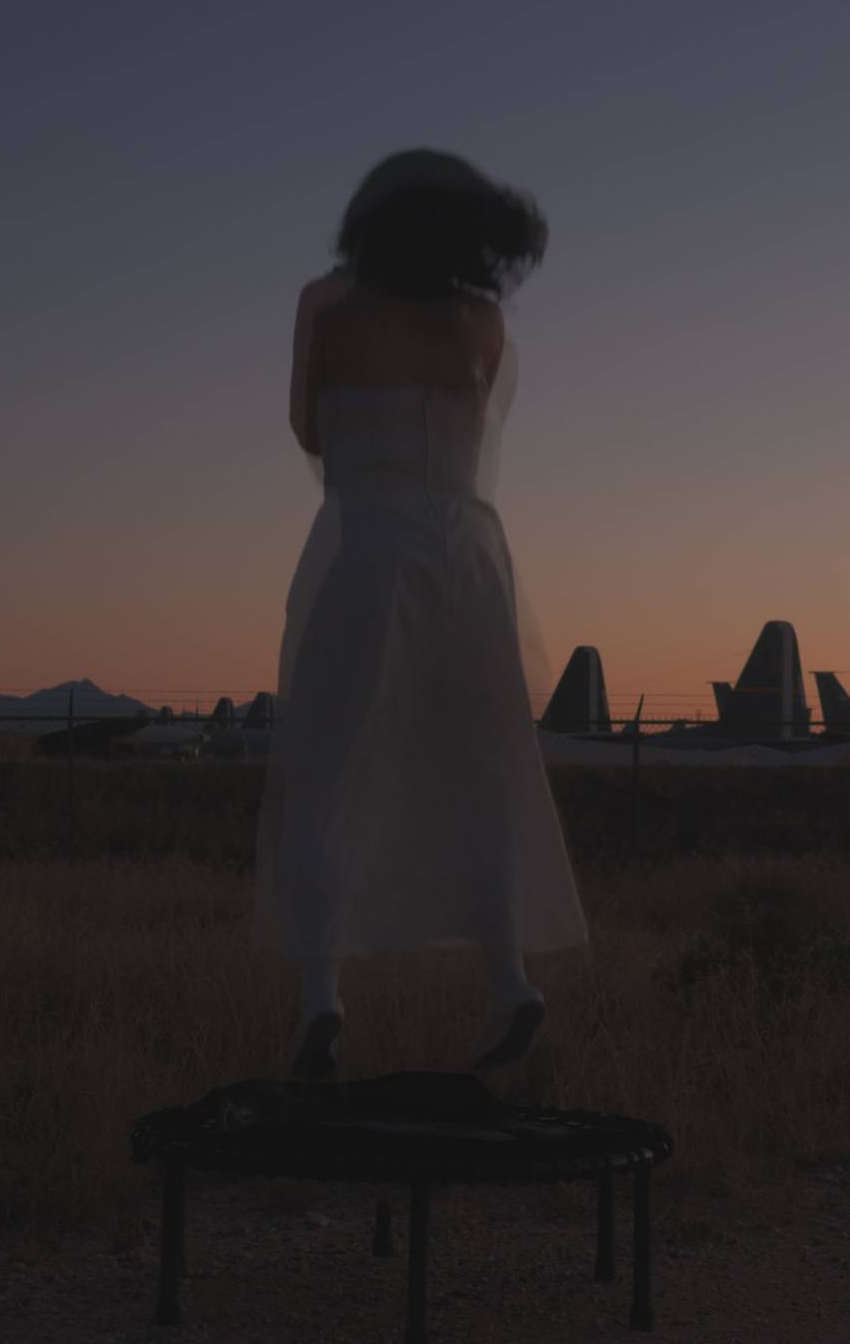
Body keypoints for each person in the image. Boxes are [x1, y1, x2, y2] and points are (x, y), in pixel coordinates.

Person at [255, 149, 586, 1082]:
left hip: (367, 541)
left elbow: (307, 430)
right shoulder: (483, 322)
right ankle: (507, 977)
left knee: (329, 765)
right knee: (487, 770)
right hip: (471, 556)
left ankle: (323, 998)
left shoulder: (327, 302)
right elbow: (480, 441)